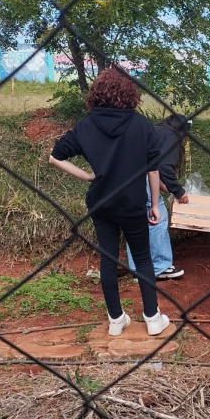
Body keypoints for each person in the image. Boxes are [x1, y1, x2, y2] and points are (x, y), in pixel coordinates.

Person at [49, 68, 170, 336]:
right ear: (130, 95)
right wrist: (153, 205)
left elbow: (55, 157)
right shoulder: (141, 125)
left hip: (101, 203)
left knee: (107, 257)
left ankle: (116, 319)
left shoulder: (86, 125)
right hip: (132, 203)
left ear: (96, 94)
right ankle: (152, 318)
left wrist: (88, 176)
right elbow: (153, 169)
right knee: (142, 258)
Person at [126, 113, 191, 280]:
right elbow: (162, 167)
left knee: (136, 220)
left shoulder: (155, 131)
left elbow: (154, 170)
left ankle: (138, 268)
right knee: (157, 217)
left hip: (124, 178)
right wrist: (179, 191)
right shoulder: (171, 136)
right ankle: (160, 267)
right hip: (141, 178)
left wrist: (168, 190)